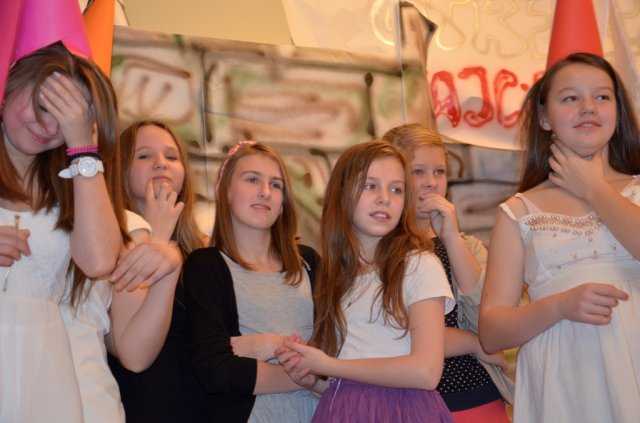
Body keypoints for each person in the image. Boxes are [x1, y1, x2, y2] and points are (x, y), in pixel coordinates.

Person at [479, 52, 640, 422]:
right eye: (570, 98)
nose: (588, 107)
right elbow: (491, 333)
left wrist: (594, 189)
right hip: (564, 384)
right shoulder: (518, 212)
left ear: (618, 112)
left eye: (602, 96)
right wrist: (559, 306)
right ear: (545, 117)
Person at [276, 139, 455, 422]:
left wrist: (329, 365)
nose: (385, 198)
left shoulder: (418, 264)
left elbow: (426, 372)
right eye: (370, 186)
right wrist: (312, 380)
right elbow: (349, 386)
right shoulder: (336, 277)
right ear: (341, 194)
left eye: (396, 189)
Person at [0, 42, 122, 422]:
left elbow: (99, 260)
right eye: (42, 105)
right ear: (9, 83)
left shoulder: (73, 183)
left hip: (44, 367)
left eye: (67, 118)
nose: (49, 126)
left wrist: (82, 148)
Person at [183, 141, 319, 422]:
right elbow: (215, 371)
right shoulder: (206, 265)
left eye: (276, 185)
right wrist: (308, 369)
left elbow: (338, 352)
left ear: (282, 204)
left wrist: (264, 345)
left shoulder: (310, 262)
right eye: (252, 179)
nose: (265, 191)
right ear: (225, 191)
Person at [384, 124, 513, 422]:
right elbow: (393, 333)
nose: (431, 183)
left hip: (481, 396)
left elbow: (492, 326)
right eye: (418, 172)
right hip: (412, 401)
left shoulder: (468, 246)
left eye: (439, 172)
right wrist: (472, 343)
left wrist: (451, 239)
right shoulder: (379, 251)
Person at [107, 120, 207, 422]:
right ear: (121, 169)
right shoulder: (110, 239)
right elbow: (133, 353)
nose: (161, 163)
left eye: (172, 156)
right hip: (140, 405)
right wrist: (156, 238)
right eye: (144, 155)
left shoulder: (201, 250)